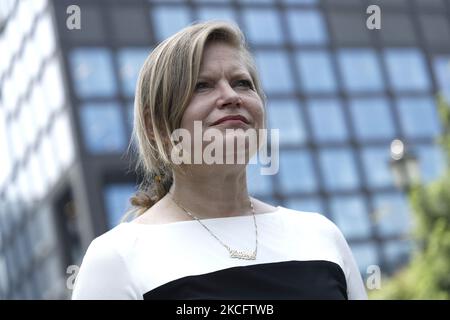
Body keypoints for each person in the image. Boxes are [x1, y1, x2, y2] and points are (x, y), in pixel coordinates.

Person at [72, 20, 367, 300]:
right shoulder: (116, 259)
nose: (230, 96)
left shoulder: (320, 237)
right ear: (155, 127)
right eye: (203, 85)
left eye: (242, 83)